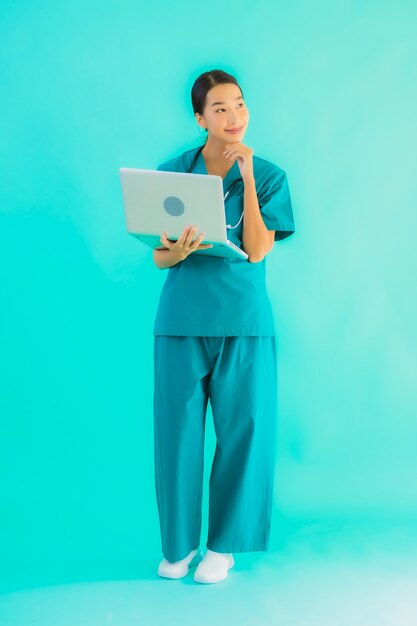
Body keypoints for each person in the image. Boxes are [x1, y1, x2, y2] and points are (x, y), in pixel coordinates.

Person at [152, 69, 295, 584]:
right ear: (199, 118)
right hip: (181, 323)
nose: (233, 117)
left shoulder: (271, 175)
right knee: (177, 436)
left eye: (239, 105)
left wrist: (250, 181)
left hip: (244, 324)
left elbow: (257, 249)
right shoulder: (173, 174)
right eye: (219, 109)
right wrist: (178, 250)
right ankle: (178, 546)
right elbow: (159, 258)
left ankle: (224, 547)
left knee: (243, 432)